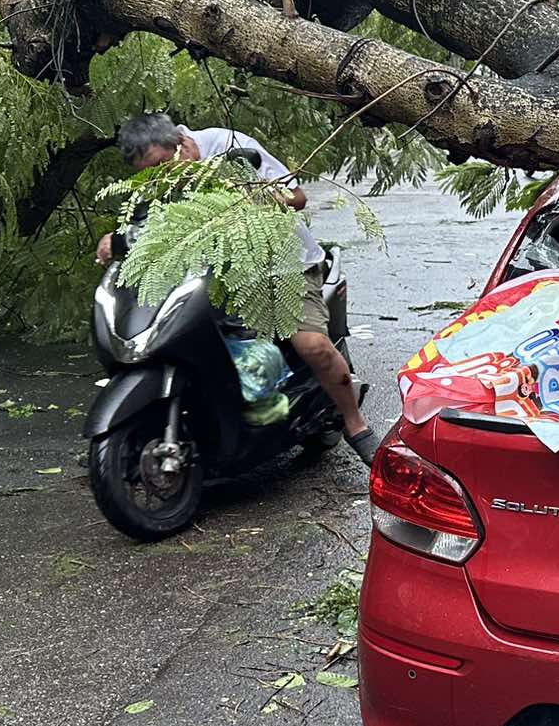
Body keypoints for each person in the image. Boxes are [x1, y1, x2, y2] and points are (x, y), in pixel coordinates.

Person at [101, 113, 377, 465]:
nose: (161, 177)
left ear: (182, 144)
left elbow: (296, 196)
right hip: (217, 278)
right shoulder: (158, 182)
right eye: (150, 173)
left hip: (283, 266)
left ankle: (356, 425)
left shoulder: (228, 145)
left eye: (162, 165)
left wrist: (243, 199)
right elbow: (146, 224)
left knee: (311, 344)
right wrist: (116, 240)